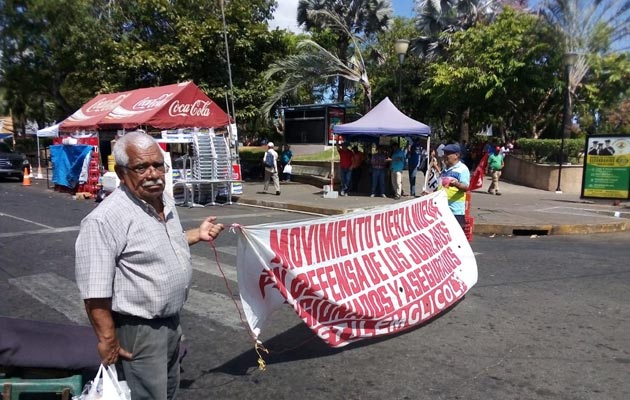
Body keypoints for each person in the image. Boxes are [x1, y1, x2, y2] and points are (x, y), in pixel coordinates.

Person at [75, 131, 225, 400]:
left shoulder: (163, 200)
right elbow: (94, 291)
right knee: (147, 396)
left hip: (170, 323)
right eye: (141, 167)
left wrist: (197, 234)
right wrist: (107, 339)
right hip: (138, 330)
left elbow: (164, 242)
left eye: (158, 165)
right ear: (121, 173)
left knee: (167, 393)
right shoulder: (105, 220)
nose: (153, 174)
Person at [439, 143, 470, 229]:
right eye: (444, 153)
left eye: (448, 153)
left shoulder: (462, 169)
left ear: (456, 155)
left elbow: (466, 187)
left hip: (455, 211)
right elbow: (440, 186)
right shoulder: (445, 170)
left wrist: (456, 184)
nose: (445, 156)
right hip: (443, 209)